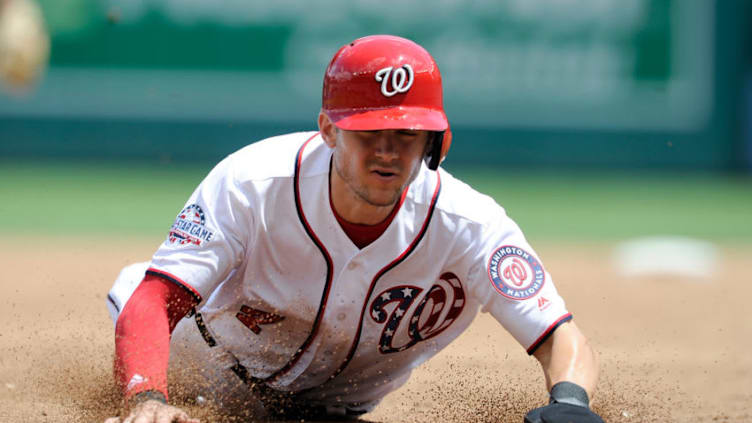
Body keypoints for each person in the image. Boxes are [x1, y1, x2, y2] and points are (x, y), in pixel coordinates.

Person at [104, 35, 603, 423]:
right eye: (370, 133)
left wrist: (572, 402)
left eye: (407, 133)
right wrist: (146, 396)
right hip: (207, 366)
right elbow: (155, 299)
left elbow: (558, 335)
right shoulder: (253, 184)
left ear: (435, 141)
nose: (388, 150)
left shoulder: (468, 225)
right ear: (328, 130)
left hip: (332, 409)